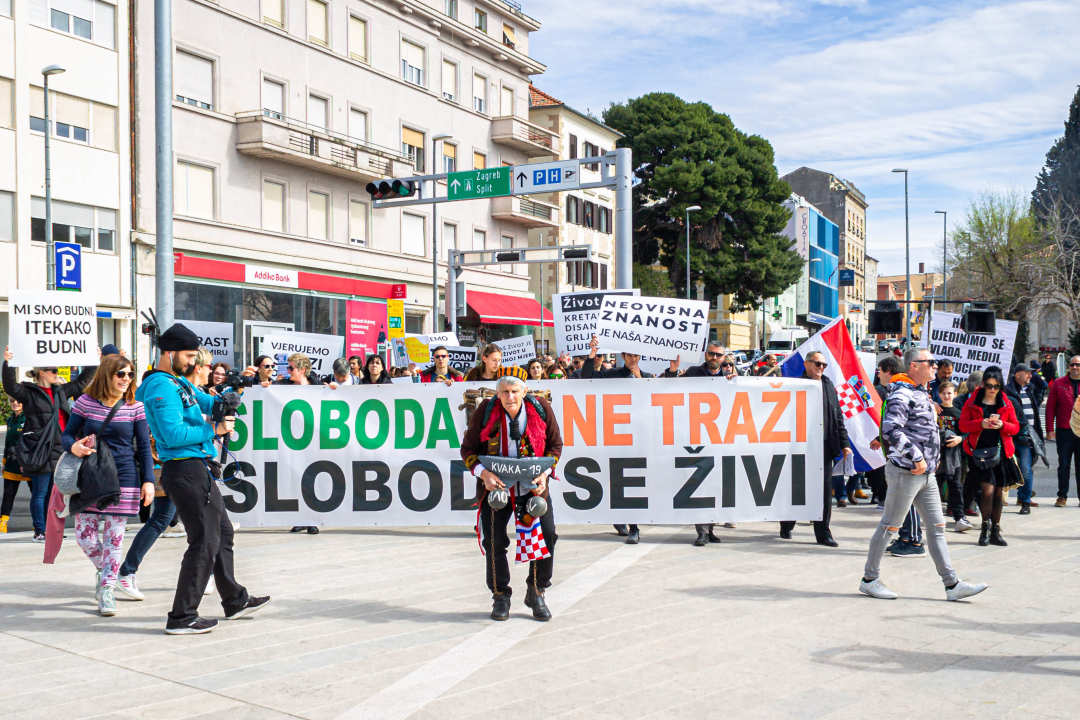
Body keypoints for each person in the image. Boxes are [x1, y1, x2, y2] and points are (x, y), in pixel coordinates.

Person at [136, 323, 269, 635]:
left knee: (222, 532)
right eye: (188, 355)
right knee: (204, 541)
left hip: (197, 467)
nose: (192, 362)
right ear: (168, 353)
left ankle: (234, 599)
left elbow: (207, 403)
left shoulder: (178, 382)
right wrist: (216, 429)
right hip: (184, 469)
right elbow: (173, 433)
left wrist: (232, 394)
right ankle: (182, 616)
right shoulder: (161, 387)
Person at [860, 347, 988, 601]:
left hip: (926, 475)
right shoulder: (902, 393)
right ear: (914, 366)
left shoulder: (922, 393)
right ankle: (870, 579)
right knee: (889, 527)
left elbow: (922, 430)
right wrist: (916, 456)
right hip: (906, 472)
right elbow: (890, 430)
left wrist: (935, 452)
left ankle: (952, 585)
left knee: (937, 528)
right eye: (930, 362)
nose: (935, 366)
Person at [461, 375, 562, 622]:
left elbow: (555, 447)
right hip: (497, 488)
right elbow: (468, 449)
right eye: (505, 392)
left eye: (515, 391)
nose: (510, 397)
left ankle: (536, 591)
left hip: (532, 488)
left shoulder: (540, 408)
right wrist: (483, 474)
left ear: (524, 391)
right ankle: (500, 596)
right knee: (494, 541)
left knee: (546, 535)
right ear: (498, 394)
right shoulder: (486, 411)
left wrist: (545, 474)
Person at [61, 354, 155, 616]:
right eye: (121, 374)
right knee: (84, 536)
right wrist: (74, 446)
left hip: (124, 477)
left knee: (114, 539)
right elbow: (67, 434)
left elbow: (144, 447)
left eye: (130, 374)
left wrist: (148, 480)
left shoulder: (135, 406)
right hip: (91, 476)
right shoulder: (85, 402)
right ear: (107, 374)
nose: (127, 379)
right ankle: (106, 572)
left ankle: (107, 590)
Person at [2, 346, 97, 542]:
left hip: (60, 448)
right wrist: (8, 363)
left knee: (54, 493)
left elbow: (82, 381)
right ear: (42, 373)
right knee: (40, 491)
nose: (57, 373)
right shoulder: (29, 393)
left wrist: (93, 359)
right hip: (39, 448)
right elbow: (10, 387)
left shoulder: (60, 391)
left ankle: (48, 527)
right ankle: (39, 529)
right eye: (53, 371)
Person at [581, 335, 660, 544]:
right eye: (629, 355)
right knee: (616, 479)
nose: (633, 359)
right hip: (614, 436)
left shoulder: (648, 375)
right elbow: (586, 377)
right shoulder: (613, 374)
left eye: (636, 355)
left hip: (638, 437)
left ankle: (634, 527)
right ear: (622, 356)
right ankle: (620, 518)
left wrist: (641, 380)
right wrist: (592, 354)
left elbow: (655, 401)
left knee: (634, 481)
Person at [779, 350, 848, 548]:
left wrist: (844, 444)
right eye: (817, 364)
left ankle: (823, 532)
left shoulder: (828, 385)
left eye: (823, 365)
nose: (820, 368)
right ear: (806, 364)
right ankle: (787, 523)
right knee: (796, 488)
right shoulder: (795, 385)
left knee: (824, 491)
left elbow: (837, 417)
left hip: (824, 446)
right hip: (799, 445)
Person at [960, 367, 1019, 546]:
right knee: (987, 491)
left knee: (998, 494)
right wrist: (981, 424)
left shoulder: (1006, 403)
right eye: (989, 385)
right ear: (983, 384)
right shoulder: (972, 402)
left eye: (996, 386)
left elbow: (1015, 427)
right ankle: (985, 528)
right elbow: (962, 425)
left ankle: (995, 530)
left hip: (1001, 453)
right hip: (979, 454)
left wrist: (1002, 425)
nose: (992, 389)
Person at [1007, 364, 1043, 514]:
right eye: (1027, 373)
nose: (1030, 376)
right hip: (1012, 436)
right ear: (1017, 375)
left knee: (1026, 470)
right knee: (1012, 469)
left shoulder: (1030, 389)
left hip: (1028, 438)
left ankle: (1025, 501)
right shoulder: (1007, 391)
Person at [1046, 356, 1080, 507]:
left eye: (1078, 365)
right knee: (1064, 464)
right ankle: (1062, 496)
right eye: (1072, 365)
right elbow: (1050, 407)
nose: (1075, 368)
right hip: (1064, 431)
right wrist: (1049, 429)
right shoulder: (1059, 384)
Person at [936, 381, 969, 531]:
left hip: (954, 458)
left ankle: (959, 517)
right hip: (936, 456)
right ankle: (934, 518)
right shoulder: (934, 410)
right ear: (939, 394)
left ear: (955, 394)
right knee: (934, 487)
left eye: (949, 393)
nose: (946, 396)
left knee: (955, 487)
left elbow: (966, 432)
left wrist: (959, 439)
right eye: (943, 393)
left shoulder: (959, 413)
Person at [1, 397, 29, 533]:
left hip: (28, 463)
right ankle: (2, 524)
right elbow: (7, 442)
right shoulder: (10, 419)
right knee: (8, 494)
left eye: (18, 401)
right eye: (12, 401)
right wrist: (4, 463)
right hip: (12, 463)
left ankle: (40, 525)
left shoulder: (29, 419)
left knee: (37, 495)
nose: (15, 403)